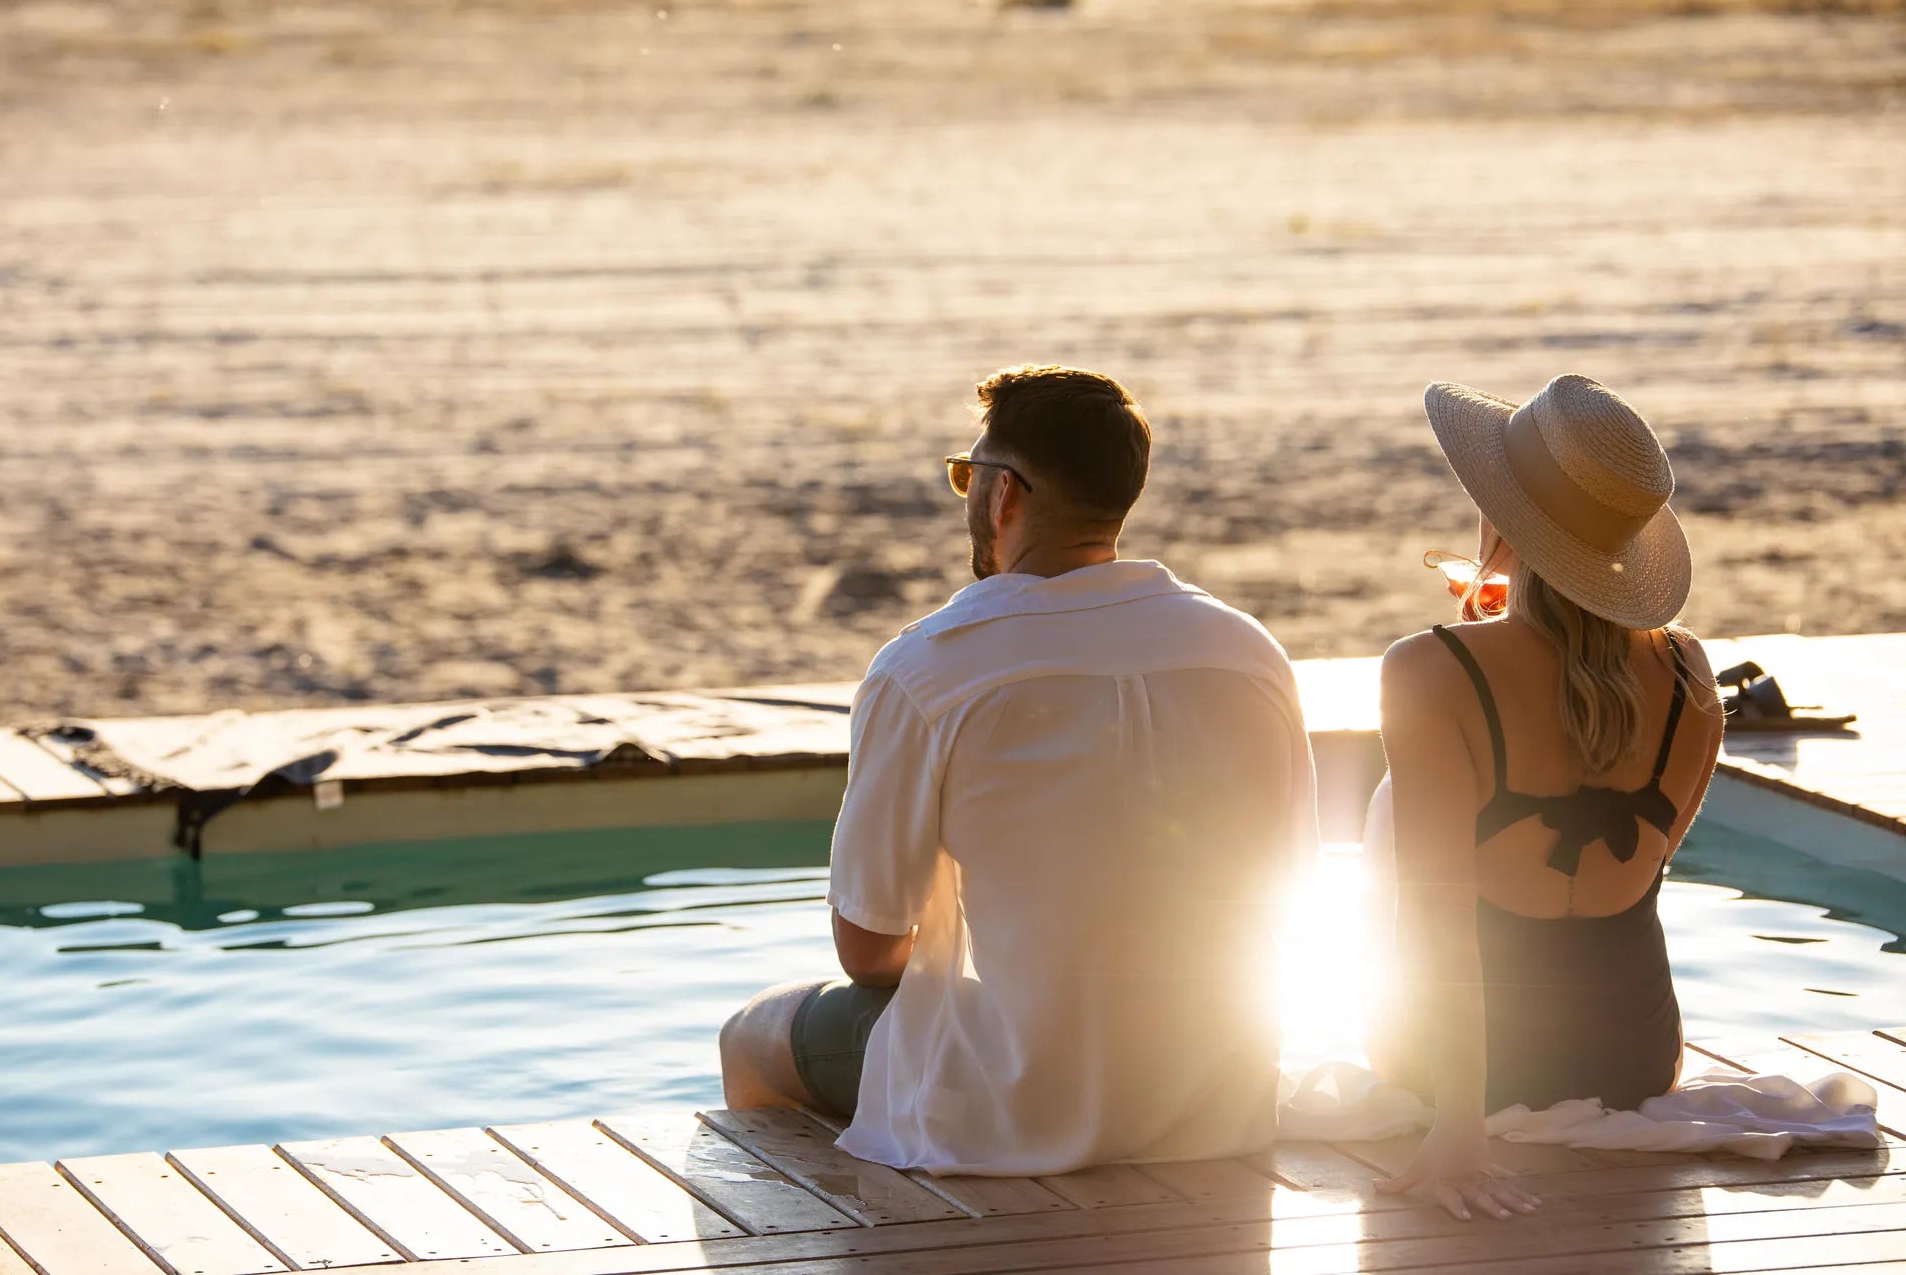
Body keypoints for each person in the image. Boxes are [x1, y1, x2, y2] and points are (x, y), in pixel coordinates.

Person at [718, 365, 1320, 1175]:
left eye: (967, 473)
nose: (966, 493)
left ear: (1005, 493)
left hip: (1020, 1096)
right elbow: (1286, 888)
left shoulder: (929, 670)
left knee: (753, 1035)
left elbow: (867, 949)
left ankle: (855, 1235)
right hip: (1219, 1092)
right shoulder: (1249, 653)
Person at [1370, 374, 1723, 1220]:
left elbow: (1436, 919)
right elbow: (1652, 859)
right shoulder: (1690, 673)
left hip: (1456, 1067)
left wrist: (1462, 1122)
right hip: (1634, 1053)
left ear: (1501, 520)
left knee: (1396, 815)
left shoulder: (1431, 669)